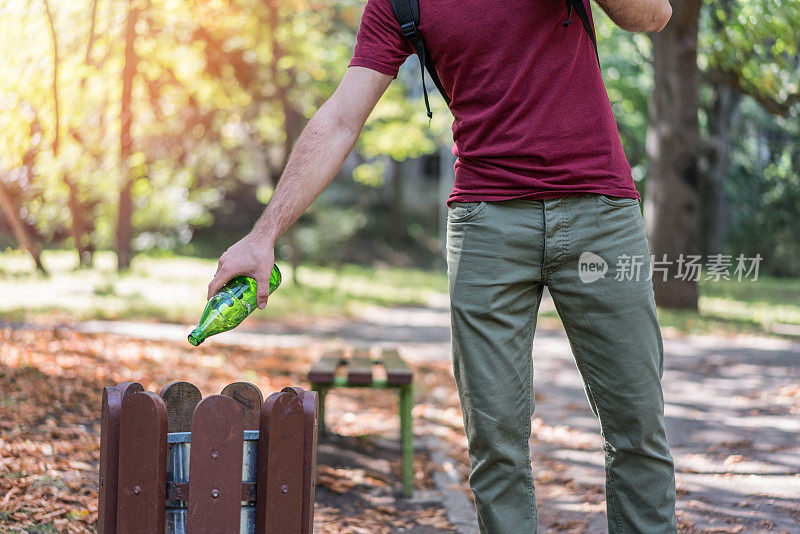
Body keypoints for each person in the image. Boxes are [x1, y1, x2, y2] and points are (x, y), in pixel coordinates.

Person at [207, 0, 676, 532]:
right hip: (487, 228)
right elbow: (340, 118)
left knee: (637, 428)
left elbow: (653, 15)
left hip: (601, 215)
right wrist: (263, 233)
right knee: (495, 442)